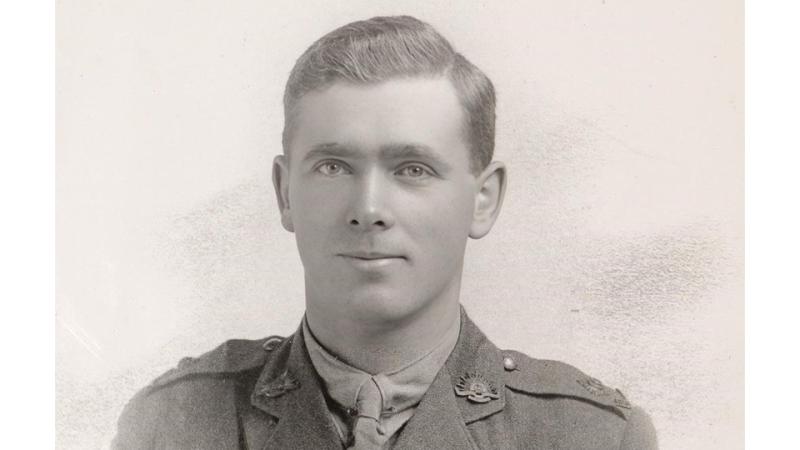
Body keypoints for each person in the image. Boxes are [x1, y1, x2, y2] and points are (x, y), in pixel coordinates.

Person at [112, 15, 658, 449]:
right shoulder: (170, 429)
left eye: (412, 169)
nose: (368, 209)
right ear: (284, 193)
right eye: (333, 166)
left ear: (483, 200)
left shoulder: (593, 438)